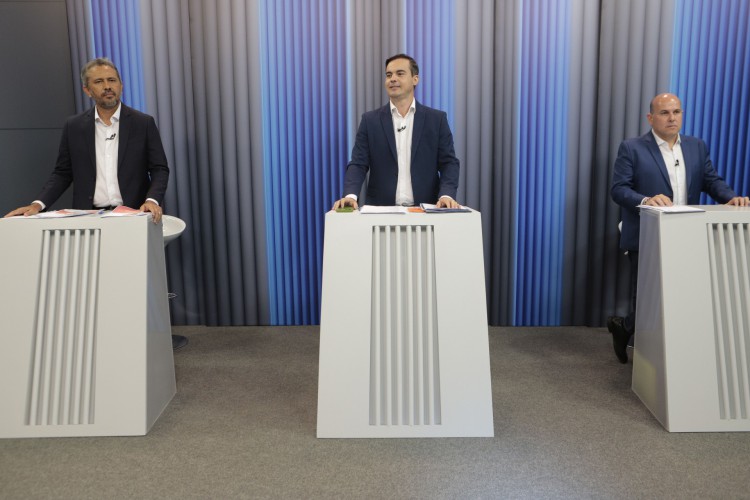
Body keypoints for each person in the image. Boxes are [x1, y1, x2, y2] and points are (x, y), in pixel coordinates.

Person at [4, 58, 187, 350]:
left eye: (112, 80)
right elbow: (63, 172)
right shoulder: (74, 126)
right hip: (88, 217)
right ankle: (102, 344)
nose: (107, 87)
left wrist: (152, 199)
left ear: (121, 85)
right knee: (92, 286)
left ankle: (143, 343)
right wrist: (38, 204)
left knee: (133, 283)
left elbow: (159, 168)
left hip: (130, 216)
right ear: (88, 90)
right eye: (100, 82)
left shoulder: (142, 123)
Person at [608, 93, 749, 363]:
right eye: (664, 113)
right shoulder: (632, 148)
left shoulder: (696, 146)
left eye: (676, 112)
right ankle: (626, 330)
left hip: (686, 234)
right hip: (646, 234)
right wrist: (646, 200)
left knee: (681, 297)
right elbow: (619, 190)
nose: (672, 117)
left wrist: (731, 197)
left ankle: (670, 352)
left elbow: (711, 181)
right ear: (651, 118)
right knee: (648, 299)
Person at [332, 54, 460, 210]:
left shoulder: (436, 120)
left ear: (415, 79)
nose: (392, 79)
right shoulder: (370, 121)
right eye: (388, 75)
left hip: (425, 211)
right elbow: (358, 163)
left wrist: (446, 195)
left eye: (400, 73)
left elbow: (449, 163)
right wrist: (350, 196)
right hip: (381, 212)